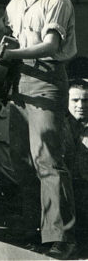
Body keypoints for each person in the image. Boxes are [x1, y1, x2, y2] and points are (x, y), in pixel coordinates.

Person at [0, 0, 76, 259]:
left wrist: (7, 54)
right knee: (22, 160)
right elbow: (12, 41)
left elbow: (50, 45)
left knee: (47, 158)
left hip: (48, 79)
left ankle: (60, 237)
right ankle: (32, 230)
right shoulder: (14, 5)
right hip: (19, 80)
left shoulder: (56, 0)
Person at [64, 80, 88, 240]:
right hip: (67, 194)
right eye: (75, 100)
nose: (81, 105)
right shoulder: (58, 127)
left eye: (85, 100)